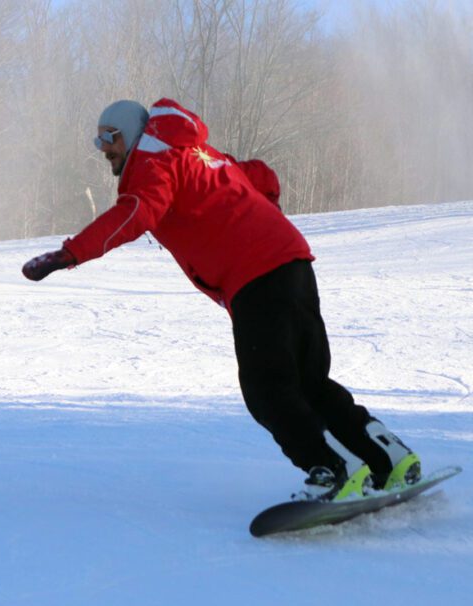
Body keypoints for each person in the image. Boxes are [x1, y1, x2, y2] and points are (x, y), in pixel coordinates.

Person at [22, 99, 421, 501]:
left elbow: (138, 212)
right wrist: (262, 215)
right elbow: (261, 175)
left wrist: (70, 253)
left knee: (267, 390)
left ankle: (338, 472)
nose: (102, 147)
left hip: (255, 275)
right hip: (293, 262)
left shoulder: (152, 163)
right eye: (99, 139)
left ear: (130, 133)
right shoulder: (200, 155)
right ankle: (392, 460)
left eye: (109, 137)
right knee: (308, 383)